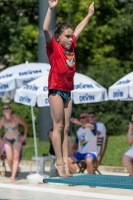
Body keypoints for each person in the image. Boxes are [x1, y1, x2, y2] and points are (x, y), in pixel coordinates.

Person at [43, 0, 95, 177]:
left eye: (71, 36)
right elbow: (45, 29)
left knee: (66, 128)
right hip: (56, 90)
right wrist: (51, 9)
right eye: (67, 36)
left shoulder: (71, 46)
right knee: (58, 126)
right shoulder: (54, 47)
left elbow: (79, 28)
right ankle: (59, 163)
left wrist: (88, 15)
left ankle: (66, 162)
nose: (70, 38)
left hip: (68, 92)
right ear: (58, 37)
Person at [0, 105, 28, 183]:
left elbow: (25, 124)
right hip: (7, 140)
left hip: (17, 139)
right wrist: (1, 139)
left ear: (10, 109)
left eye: (7, 108)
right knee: (9, 159)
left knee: (15, 157)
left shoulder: (15, 117)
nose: (6, 110)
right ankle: (14, 172)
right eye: (4, 109)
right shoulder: (2, 120)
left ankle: (13, 176)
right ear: (3, 111)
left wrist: (24, 136)